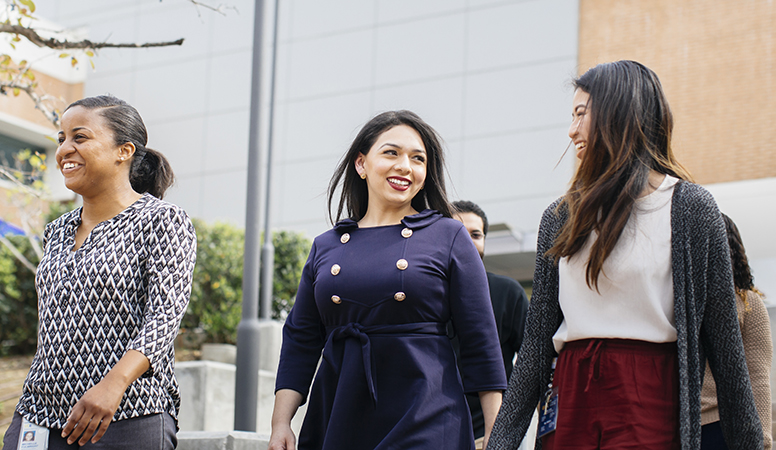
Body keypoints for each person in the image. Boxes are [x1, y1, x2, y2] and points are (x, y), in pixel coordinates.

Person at [485, 61, 762, 450]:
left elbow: (726, 351)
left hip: (649, 394)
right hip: (571, 394)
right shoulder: (561, 215)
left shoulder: (691, 209)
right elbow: (535, 348)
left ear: (619, 114)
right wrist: (501, 444)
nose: (572, 130)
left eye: (581, 114)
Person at [268, 110, 507, 450]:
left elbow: (480, 338)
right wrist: (281, 423)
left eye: (418, 159)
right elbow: (301, 339)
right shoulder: (327, 245)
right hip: (339, 409)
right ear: (361, 163)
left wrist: (497, 432)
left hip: (426, 410)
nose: (405, 167)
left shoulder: (448, 236)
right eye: (391, 153)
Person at [3, 95, 196, 449]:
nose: (65, 150)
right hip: (41, 413)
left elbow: (164, 318)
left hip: (127, 413)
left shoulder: (162, 221)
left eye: (80, 137)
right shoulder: (58, 230)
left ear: (124, 151)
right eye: (62, 139)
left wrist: (113, 385)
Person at [451, 200, 528, 447]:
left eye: (476, 234)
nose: (468, 241)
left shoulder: (507, 292)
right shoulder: (421, 293)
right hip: (430, 432)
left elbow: (531, 365)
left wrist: (504, 433)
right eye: (458, 232)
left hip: (487, 436)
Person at [701, 214, 772, 449]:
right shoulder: (677, 303)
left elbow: (758, 375)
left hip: (724, 427)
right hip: (673, 425)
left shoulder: (748, 302)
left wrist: (763, 439)